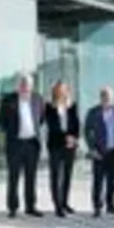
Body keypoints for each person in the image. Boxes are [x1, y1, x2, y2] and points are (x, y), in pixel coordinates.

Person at [0, 72, 44, 219]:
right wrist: (12, 132)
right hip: (15, 144)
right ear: (18, 85)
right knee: (14, 177)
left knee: (31, 177)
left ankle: (30, 207)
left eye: (28, 84)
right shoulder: (8, 100)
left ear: (32, 86)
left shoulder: (38, 99)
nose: (25, 86)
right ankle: (12, 207)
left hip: (32, 144)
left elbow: (40, 119)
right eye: (22, 83)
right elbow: (1, 121)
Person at [84, 86, 114, 218]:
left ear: (112, 97)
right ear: (100, 97)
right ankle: (97, 207)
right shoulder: (93, 112)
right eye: (103, 95)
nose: (106, 98)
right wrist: (92, 149)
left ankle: (111, 206)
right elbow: (87, 131)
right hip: (99, 152)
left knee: (112, 181)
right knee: (98, 181)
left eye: (108, 95)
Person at [44, 81, 80, 217]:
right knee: (56, 176)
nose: (61, 92)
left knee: (67, 175)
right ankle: (57, 206)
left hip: (70, 146)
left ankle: (65, 202)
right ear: (55, 91)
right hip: (55, 145)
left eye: (64, 90)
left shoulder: (72, 106)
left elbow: (76, 124)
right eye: (59, 90)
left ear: (67, 91)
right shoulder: (49, 106)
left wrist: (74, 138)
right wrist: (66, 137)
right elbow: (52, 126)